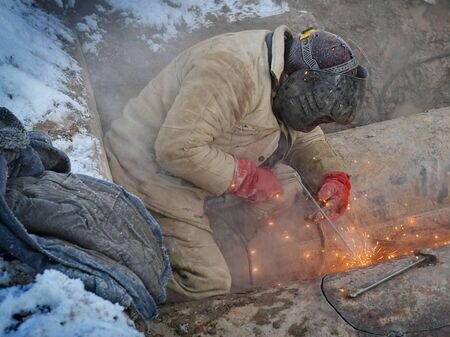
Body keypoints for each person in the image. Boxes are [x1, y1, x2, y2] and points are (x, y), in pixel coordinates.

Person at [104, 26, 368, 302]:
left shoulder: (288, 79)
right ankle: (128, 283)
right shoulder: (231, 71)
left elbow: (303, 130)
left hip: (202, 163)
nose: (315, 121)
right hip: (150, 172)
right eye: (315, 109)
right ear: (296, 81)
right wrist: (247, 179)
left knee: (281, 200)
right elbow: (175, 148)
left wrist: (332, 175)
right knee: (209, 283)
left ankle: (223, 245)